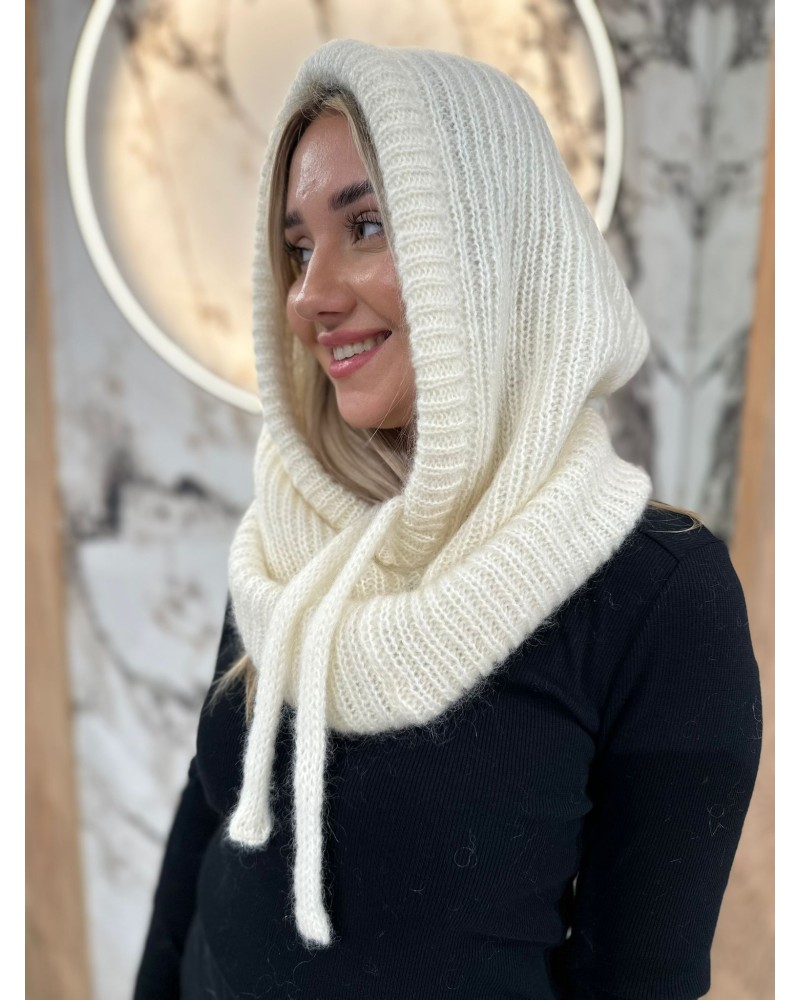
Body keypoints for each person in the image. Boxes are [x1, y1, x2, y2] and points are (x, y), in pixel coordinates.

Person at [133, 39, 762, 1000]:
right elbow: (210, 808)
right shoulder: (296, 529)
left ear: (489, 244)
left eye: (367, 226)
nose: (310, 297)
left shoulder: (658, 595)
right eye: (298, 248)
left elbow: (641, 979)